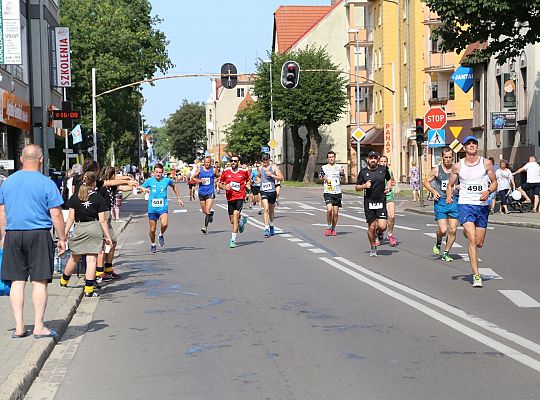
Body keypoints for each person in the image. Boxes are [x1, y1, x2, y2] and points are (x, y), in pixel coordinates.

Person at [0, 144, 66, 338]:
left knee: (17, 281)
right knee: (39, 281)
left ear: (21, 159)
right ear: (41, 160)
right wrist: (62, 239)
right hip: (38, 234)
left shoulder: (8, 182)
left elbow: (2, 212)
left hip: (13, 234)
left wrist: (3, 237)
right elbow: (56, 214)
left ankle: (19, 327)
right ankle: (38, 326)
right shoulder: (46, 183)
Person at [447, 135, 497, 288]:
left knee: (479, 242)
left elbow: (494, 182)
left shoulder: (486, 163)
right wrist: (449, 194)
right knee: (472, 238)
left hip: (481, 206)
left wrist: (488, 191)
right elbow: (450, 184)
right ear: (464, 147)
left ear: (477, 146)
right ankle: (476, 275)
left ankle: (468, 232)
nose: (471, 145)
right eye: (468, 144)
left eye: (474, 143)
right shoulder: (458, 166)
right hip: (465, 204)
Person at [60, 172, 113, 297]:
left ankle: (64, 280)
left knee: (75, 256)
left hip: (80, 228)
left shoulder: (74, 197)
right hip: (94, 228)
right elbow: (102, 220)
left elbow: (71, 218)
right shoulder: (98, 198)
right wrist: (107, 236)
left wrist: (64, 234)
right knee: (91, 259)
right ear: (94, 182)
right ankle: (89, 289)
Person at [424, 148, 459, 262]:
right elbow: (426, 181)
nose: (448, 160)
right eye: (446, 157)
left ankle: (446, 252)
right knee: (443, 230)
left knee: (453, 230)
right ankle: (438, 241)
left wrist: (460, 186)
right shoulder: (436, 170)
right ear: (442, 158)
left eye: (450, 157)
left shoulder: (457, 169)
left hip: (454, 201)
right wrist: (434, 191)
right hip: (441, 202)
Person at [140, 163, 184, 253]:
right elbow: (141, 188)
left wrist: (178, 198)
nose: (158, 174)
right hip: (152, 208)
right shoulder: (149, 181)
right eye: (156, 172)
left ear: (163, 172)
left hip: (162, 207)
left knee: (164, 224)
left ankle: (161, 234)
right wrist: (142, 189)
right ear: (153, 172)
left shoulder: (167, 180)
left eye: (160, 172)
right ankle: (153, 243)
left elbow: (174, 186)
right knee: (152, 230)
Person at [355, 151, 392, 257]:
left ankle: (380, 233)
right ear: (368, 159)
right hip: (369, 202)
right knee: (371, 227)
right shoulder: (363, 172)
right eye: (371, 158)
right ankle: (373, 246)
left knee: (382, 226)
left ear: (378, 159)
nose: (373, 160)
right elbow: (356, 187)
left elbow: (389, 179)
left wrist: (388, 187)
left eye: (375, 158)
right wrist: (364, 186)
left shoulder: (383, 169)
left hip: (381, 201)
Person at [219, 155, 250, 248]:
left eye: (235, 161)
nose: (233, 162)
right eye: (232, 161)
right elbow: (220, 183)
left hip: (240, 197)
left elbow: (248, 180)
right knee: (233, 221)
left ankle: (233, 239)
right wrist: (224, 187)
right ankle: (241, 223)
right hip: (230, 198)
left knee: (236, 215)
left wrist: (248, 186)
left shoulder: (244, 172)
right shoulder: (226, 171)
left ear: (238, 162)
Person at [319, 151, 345, 236]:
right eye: (329, 157)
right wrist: (323, 178)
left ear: (334, 158)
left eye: (332, 157)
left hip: (337, 192)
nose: (331, 158)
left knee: (336, 212)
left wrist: (342, 174)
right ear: (327, 159)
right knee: (329, 209)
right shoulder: (324, 167)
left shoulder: (339, 167)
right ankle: (329, 226)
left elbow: (343, 179)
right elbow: (319, 177)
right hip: (328, 191)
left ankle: (333, 228)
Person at [258, 154, 284, 237]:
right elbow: (258, 176)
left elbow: (281, 178)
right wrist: (258, 181)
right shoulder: (260, 168)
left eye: (266, 159)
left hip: (272, 191)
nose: (264, 161)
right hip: (263, 191)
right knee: (265, 208)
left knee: (271, 210)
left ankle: (271, 225)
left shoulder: (274, 167)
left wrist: (272, 175)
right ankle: (266, 228)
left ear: (269, 159)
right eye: (263, 159)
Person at [192, 156, 219, 234]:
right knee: (204, 211)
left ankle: (205, 227)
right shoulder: (200, 169)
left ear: (210, 163)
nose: (207, 164)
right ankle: (211, 214)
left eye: (208, 162)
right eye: (206, 162)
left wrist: (216, 179)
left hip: (210, 192)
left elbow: (218, 176)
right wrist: (200, 180)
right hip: (201, 193)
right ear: (204, 162)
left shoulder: (213, 169)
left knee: (207, 211)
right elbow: (193, 178)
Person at [378, 155, 397, 246]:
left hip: (389, 196)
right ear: (378, 162)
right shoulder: (375, 172)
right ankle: (379, 233)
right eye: (381, 161)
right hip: (378, 197)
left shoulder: (389, 171)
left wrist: (390, 185)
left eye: (385, 161)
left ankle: (390, 234)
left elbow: (393, 181)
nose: (383, 163)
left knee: (392, 216)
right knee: (381, 221)